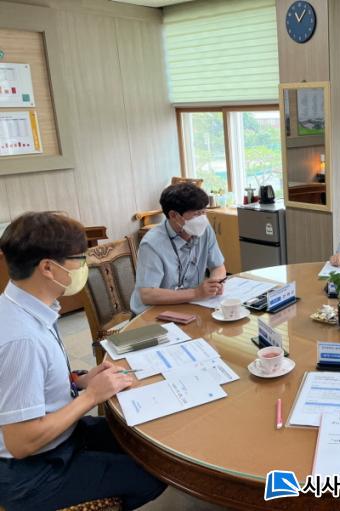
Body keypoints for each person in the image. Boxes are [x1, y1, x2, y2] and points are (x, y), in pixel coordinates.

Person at [0, 212, 166, 510]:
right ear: (48, 268)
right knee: (153, 473)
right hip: (32, 470)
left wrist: (80, 381)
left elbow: (37, 379)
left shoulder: (26, 307)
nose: (83, 267)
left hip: (60, 435)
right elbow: (21, 442)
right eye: (79, 259)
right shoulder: (22, 340)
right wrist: (91, 396)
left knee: (150, 446)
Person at [131, 182, 226, 314]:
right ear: (173, 215)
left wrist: (215, 283)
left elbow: (218, 267)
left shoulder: (204, 229)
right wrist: (196, 293)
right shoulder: (152, 244)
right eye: (197, 214)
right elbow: (147, 294)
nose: (202, 219)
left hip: (189, 306)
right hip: (153, 313)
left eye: (204, 212)